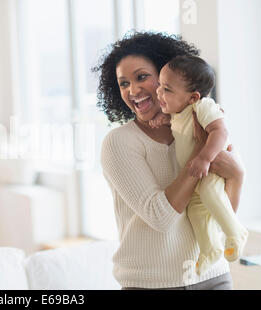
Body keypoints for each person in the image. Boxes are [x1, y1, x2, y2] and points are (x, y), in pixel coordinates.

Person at [94, 32, 245, 290]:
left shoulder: (204, 126)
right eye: (123, 83)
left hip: (214, 276)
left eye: (142, 77)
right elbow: (160, 216)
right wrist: (200, 154)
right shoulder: (119, 143)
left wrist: (238, 175)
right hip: (151, 284)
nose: (133, 90)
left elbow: (222, 210)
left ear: (168, 76)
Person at [152, 55, 248, 275]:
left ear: (193, 97)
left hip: (212, 167)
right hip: (198, 174)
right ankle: (210, 249)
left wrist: (205, 157)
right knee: (196, 211)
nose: (159, 93)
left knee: (210, 194)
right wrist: (163, 120)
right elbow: (180, 124)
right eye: (159, 85)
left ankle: (236, 232)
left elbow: (220, 131)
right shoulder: (179, 112)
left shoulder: (203, 106)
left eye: (167, 89)